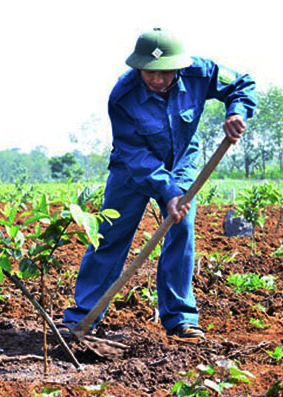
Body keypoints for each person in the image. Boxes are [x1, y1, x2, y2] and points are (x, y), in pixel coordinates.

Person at [62, 27, 257, 338]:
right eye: (149, 72)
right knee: (109, 236)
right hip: (132, 170)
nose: (157, 79)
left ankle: (180, 319)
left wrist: (236, 113)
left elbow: (242, 84)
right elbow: (134, 153)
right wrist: (167, 192)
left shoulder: (199, 73)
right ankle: (83, 316)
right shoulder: (123, 96)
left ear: (179, 66)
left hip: (181, 165)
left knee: (181, 227)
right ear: (137, 66)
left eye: (165, 72)